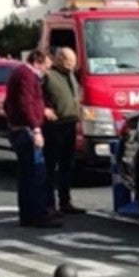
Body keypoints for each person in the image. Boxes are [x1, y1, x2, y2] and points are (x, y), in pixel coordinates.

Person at [3, 49, 62, 228]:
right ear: (37, 61)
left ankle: (28, 215)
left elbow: (11, 103)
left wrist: (42, 110)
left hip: (19, 128)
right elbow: (25, 103)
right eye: (45, 66)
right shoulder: (27, 76)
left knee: (27, 175)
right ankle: (38, 215)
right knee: (36, 173)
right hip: (26, 131)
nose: (46, 71)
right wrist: (36, 129)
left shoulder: (21, 74)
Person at [42, 47, 84, 215]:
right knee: (51, 166)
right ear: (58, 60)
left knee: (67, 165)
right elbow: (39, 97)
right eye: (68, 63)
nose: (70, 66)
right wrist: (45, 110)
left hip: (70, 123)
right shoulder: (48, 76)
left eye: (73, 63)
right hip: (54, 126)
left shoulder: (72, 75)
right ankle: (49, 204)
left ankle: (65, 201)